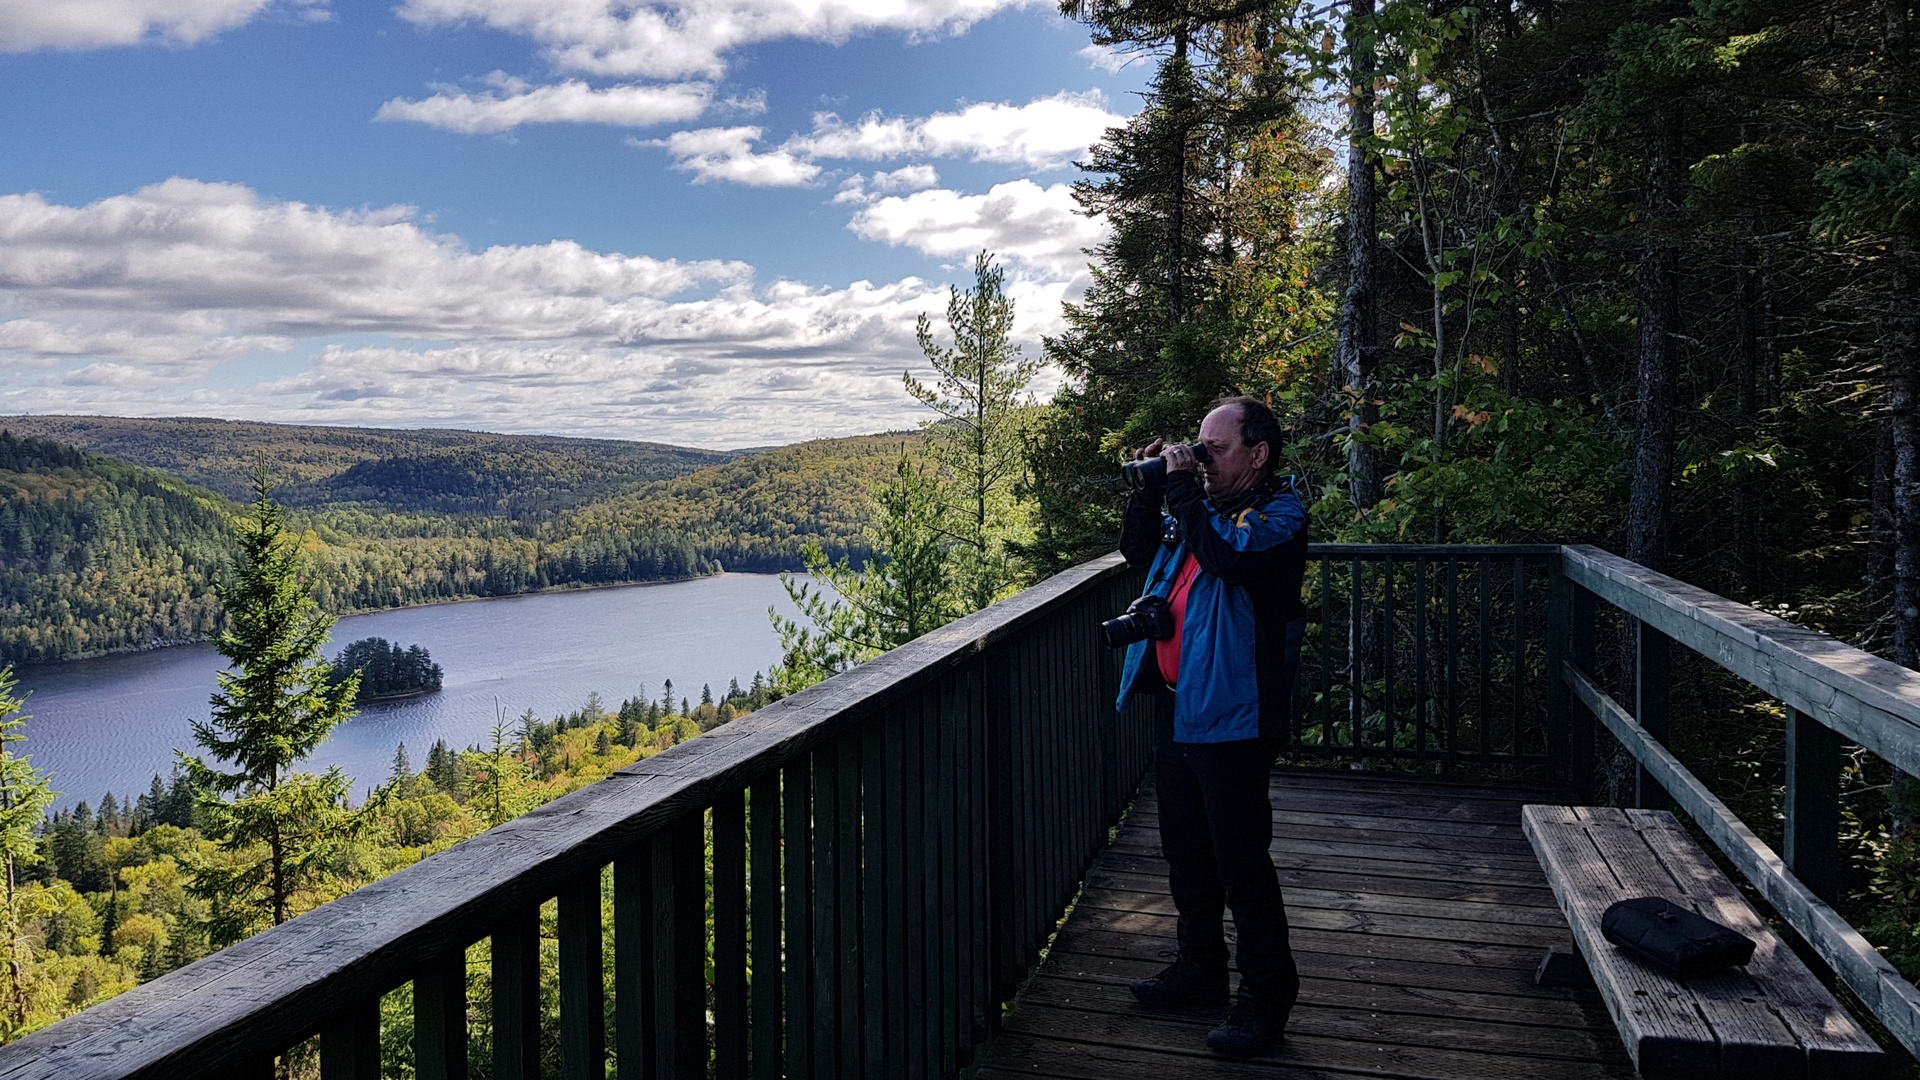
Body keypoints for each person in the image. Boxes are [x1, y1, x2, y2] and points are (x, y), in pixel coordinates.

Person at [1114, 395, 1308, 1059]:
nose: (1201, 461)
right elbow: (1138, 551)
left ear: (1257, 454)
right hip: (1180, 705)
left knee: (1241, 863)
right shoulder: (1201, 512)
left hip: (1237, 718)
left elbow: (1229, 559)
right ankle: (1199, 968)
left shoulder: (1280, 515)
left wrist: (1181, 491)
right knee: (1186, 853)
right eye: (1197, 447)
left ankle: (1265, 997)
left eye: (1214, 450)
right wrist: (1151, 493)